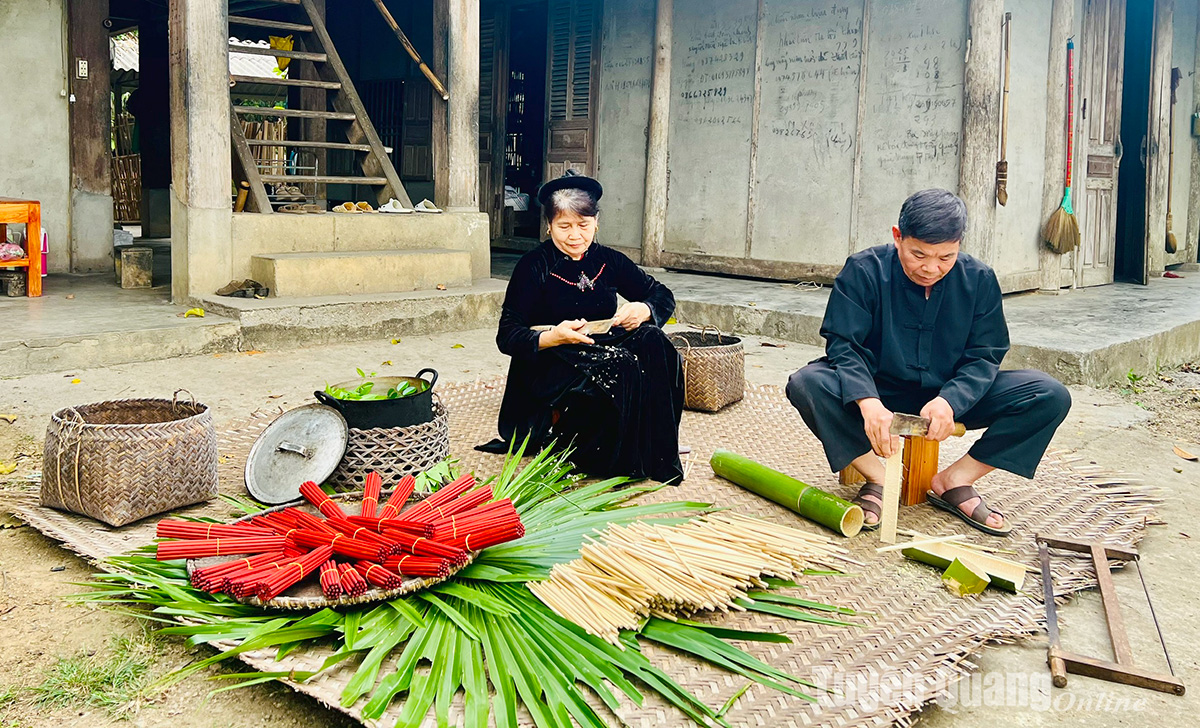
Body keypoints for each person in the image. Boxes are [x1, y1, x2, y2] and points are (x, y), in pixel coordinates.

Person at [786, 189, 1071, 536]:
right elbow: (845, 345)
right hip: (878, 389)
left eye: (946, 257)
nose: (931, 268)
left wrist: (951, 400)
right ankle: (879, 478)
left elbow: (985, 355)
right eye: (918, 254)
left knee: (1049, 395)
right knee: (807, 383)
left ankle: (955, 480)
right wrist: (867, 401)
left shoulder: (979, 279)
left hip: (949, 395)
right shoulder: (863, 270)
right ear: (898, 237)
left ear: (959, 245)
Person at [477, 171, 685, 483]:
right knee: (621, 364)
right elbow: (507, 335)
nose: (575, 235)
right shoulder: (533, 266)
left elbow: (661, 294)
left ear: (596, 223)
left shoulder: (609, 260)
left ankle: (656, 449)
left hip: (598, 345)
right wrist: (552, 336)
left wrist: (644, 309)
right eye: (564, 226)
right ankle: (610, 461)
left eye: (583, 225)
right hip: (552, 359)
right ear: (549, 226)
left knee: (655, 341)